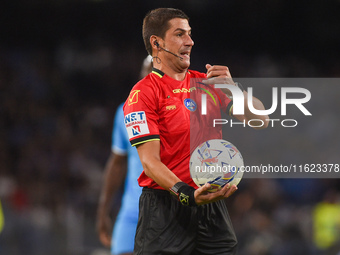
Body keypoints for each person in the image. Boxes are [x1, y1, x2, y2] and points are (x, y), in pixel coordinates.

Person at [123, 8, 269, 254]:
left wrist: (234, 89)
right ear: (156, 42)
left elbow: (261, 119)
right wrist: (187, 195)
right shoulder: (143, 94)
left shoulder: (207, 83)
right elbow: (149, 162)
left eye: (189, 34)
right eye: (180, 34)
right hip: (165, 209)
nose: (190, 41)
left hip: (212, 208)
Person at [96, 56, 152, 255]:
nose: (150, 78)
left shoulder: (185, 112)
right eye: (146, 73)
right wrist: (103, 210)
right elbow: (117, 162)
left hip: (172, 216)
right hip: (132, 213)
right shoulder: (126, 112)